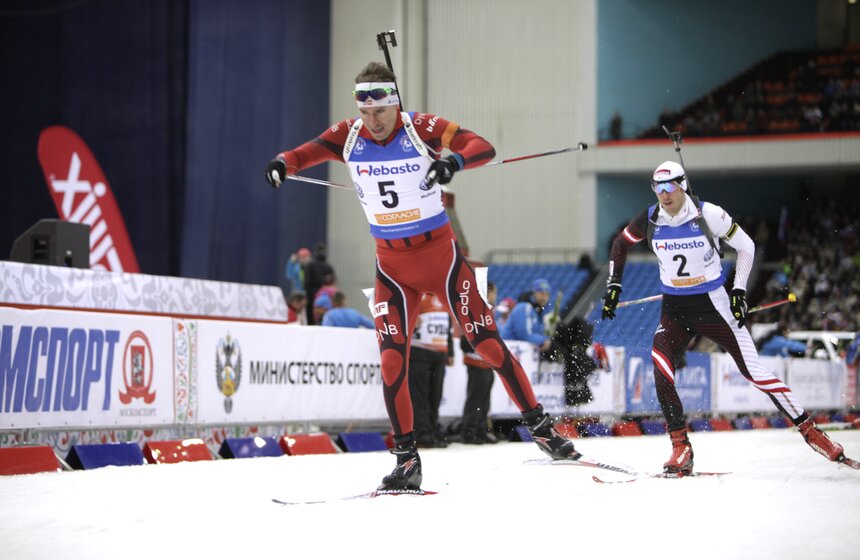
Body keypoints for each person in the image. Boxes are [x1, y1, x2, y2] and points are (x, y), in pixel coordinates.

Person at [266, 61, 579, 492]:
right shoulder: (349, 135)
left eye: (380, 112)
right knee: (393, 358)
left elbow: (481, 146)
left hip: (442, 259)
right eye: (365, 112)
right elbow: (304, 154)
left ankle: (541, 427)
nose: (372, 122)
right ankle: (406, 459)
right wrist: (282, 163)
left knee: (486, 343)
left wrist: (452, 162)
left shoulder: (421, 128)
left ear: (394, 104)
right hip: (391, 269)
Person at [601, 160, 849, 475]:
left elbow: (746, 246)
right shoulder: (650, 218)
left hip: (713, 306)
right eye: (657, 187)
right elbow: (620, 244)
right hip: (674, 309)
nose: (663, 194)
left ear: (683, 185)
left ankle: (812, 432)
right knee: (661, 368)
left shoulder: (709, 214)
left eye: (669, 186)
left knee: (756, 373)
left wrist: (739, 290)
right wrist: (614, 286)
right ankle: (681, 448)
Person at [408, 292, 454, 448]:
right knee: (420, 396)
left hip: (439, 355)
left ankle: (432, 429)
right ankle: (421, 432)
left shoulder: (442, 297)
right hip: (419, 353)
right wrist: (411, 319)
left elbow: (447, 328)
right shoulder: (416, 297)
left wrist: (450, 352)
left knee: (435, 396)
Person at [460, 281, 497, 444]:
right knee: (476, 397)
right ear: (488, 293)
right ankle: (470, 430)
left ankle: (481, 428)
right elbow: (465, 337)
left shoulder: (488, 310)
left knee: (484, 398)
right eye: (494, 292)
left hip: (487, 362)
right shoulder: (475, 310)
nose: (495, 296)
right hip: (476, 362)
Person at [500, 278, 553, 352]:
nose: (544, 297)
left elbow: (537, 333)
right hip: (509, 350)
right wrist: (544, 340)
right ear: (534, 293)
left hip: (517, 351)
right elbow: (524, 334)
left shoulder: (537, 311)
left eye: (547, 294)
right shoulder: (524, 307)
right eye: (541, 293)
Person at [304, 242, 336, 324]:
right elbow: (332, 282)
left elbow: (307, 284)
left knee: (311, 321)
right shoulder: (328, 267)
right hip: (326, 297)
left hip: (312, 297)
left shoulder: (310, 265)